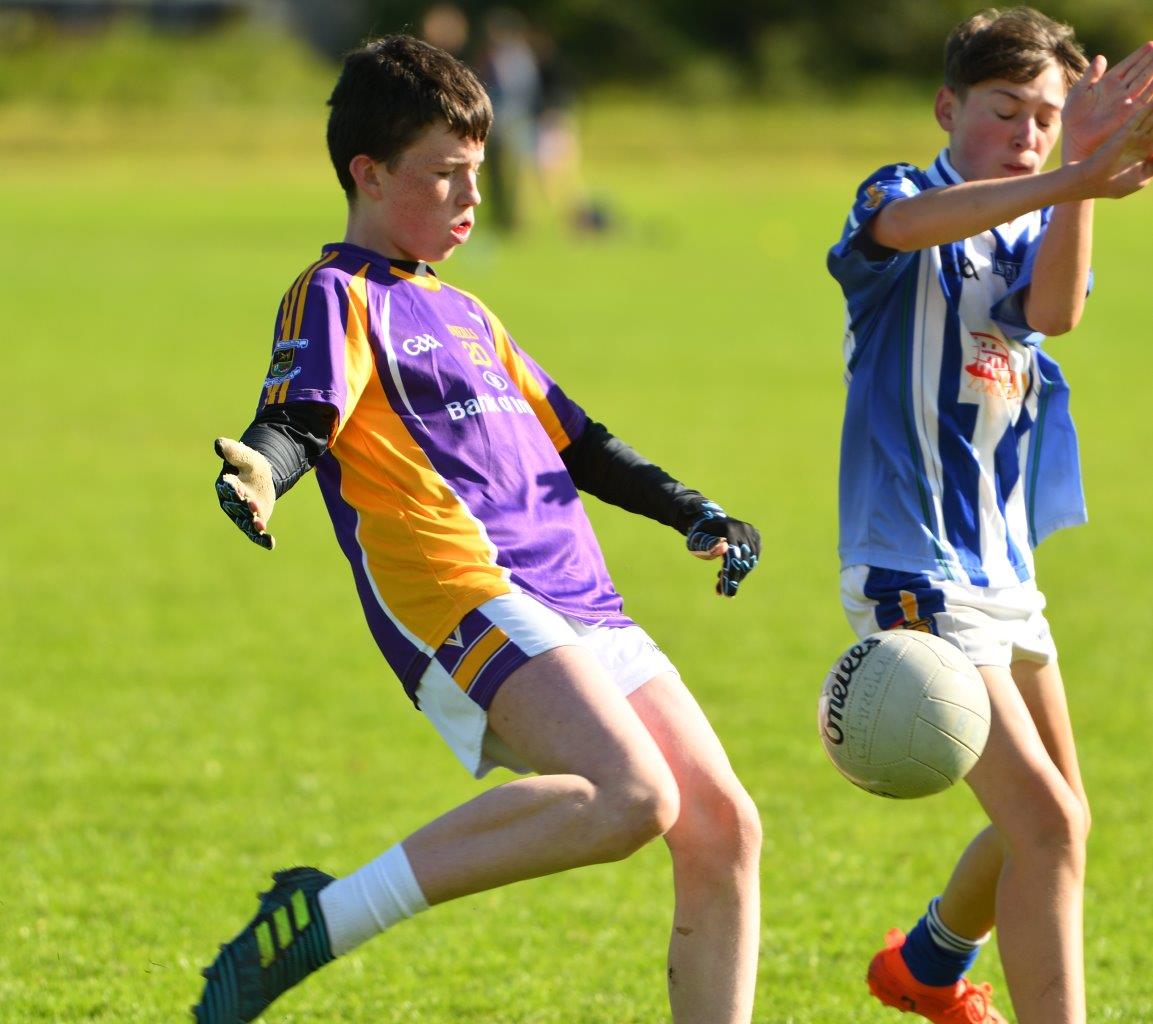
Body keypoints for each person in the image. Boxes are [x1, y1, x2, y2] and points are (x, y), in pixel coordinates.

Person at [193, 35, 762, 1024]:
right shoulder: (337, 293)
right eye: (447, 176)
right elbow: (297, 416)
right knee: (631, 797)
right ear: (367, 174)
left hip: (581, 596)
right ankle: (326, 915)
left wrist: (691, 509)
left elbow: (580, 441)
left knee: (722, 826)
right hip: (465, 591)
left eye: (478, 176)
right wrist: (261, 470)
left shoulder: (464, 311)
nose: (471, 200)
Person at [827, 8, 1153, 1024]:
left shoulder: (1039, 213)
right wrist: (1072, 174)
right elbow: (900, 232)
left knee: (1061, 819)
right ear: (946, 107)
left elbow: (1053, 314)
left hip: (1002, 571)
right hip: (911, 568)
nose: (1026, 130)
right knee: (1048, 826)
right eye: (1004, 110)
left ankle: (924, 968)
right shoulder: (901, 193)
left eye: (1048, 118)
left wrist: (1082, 178)